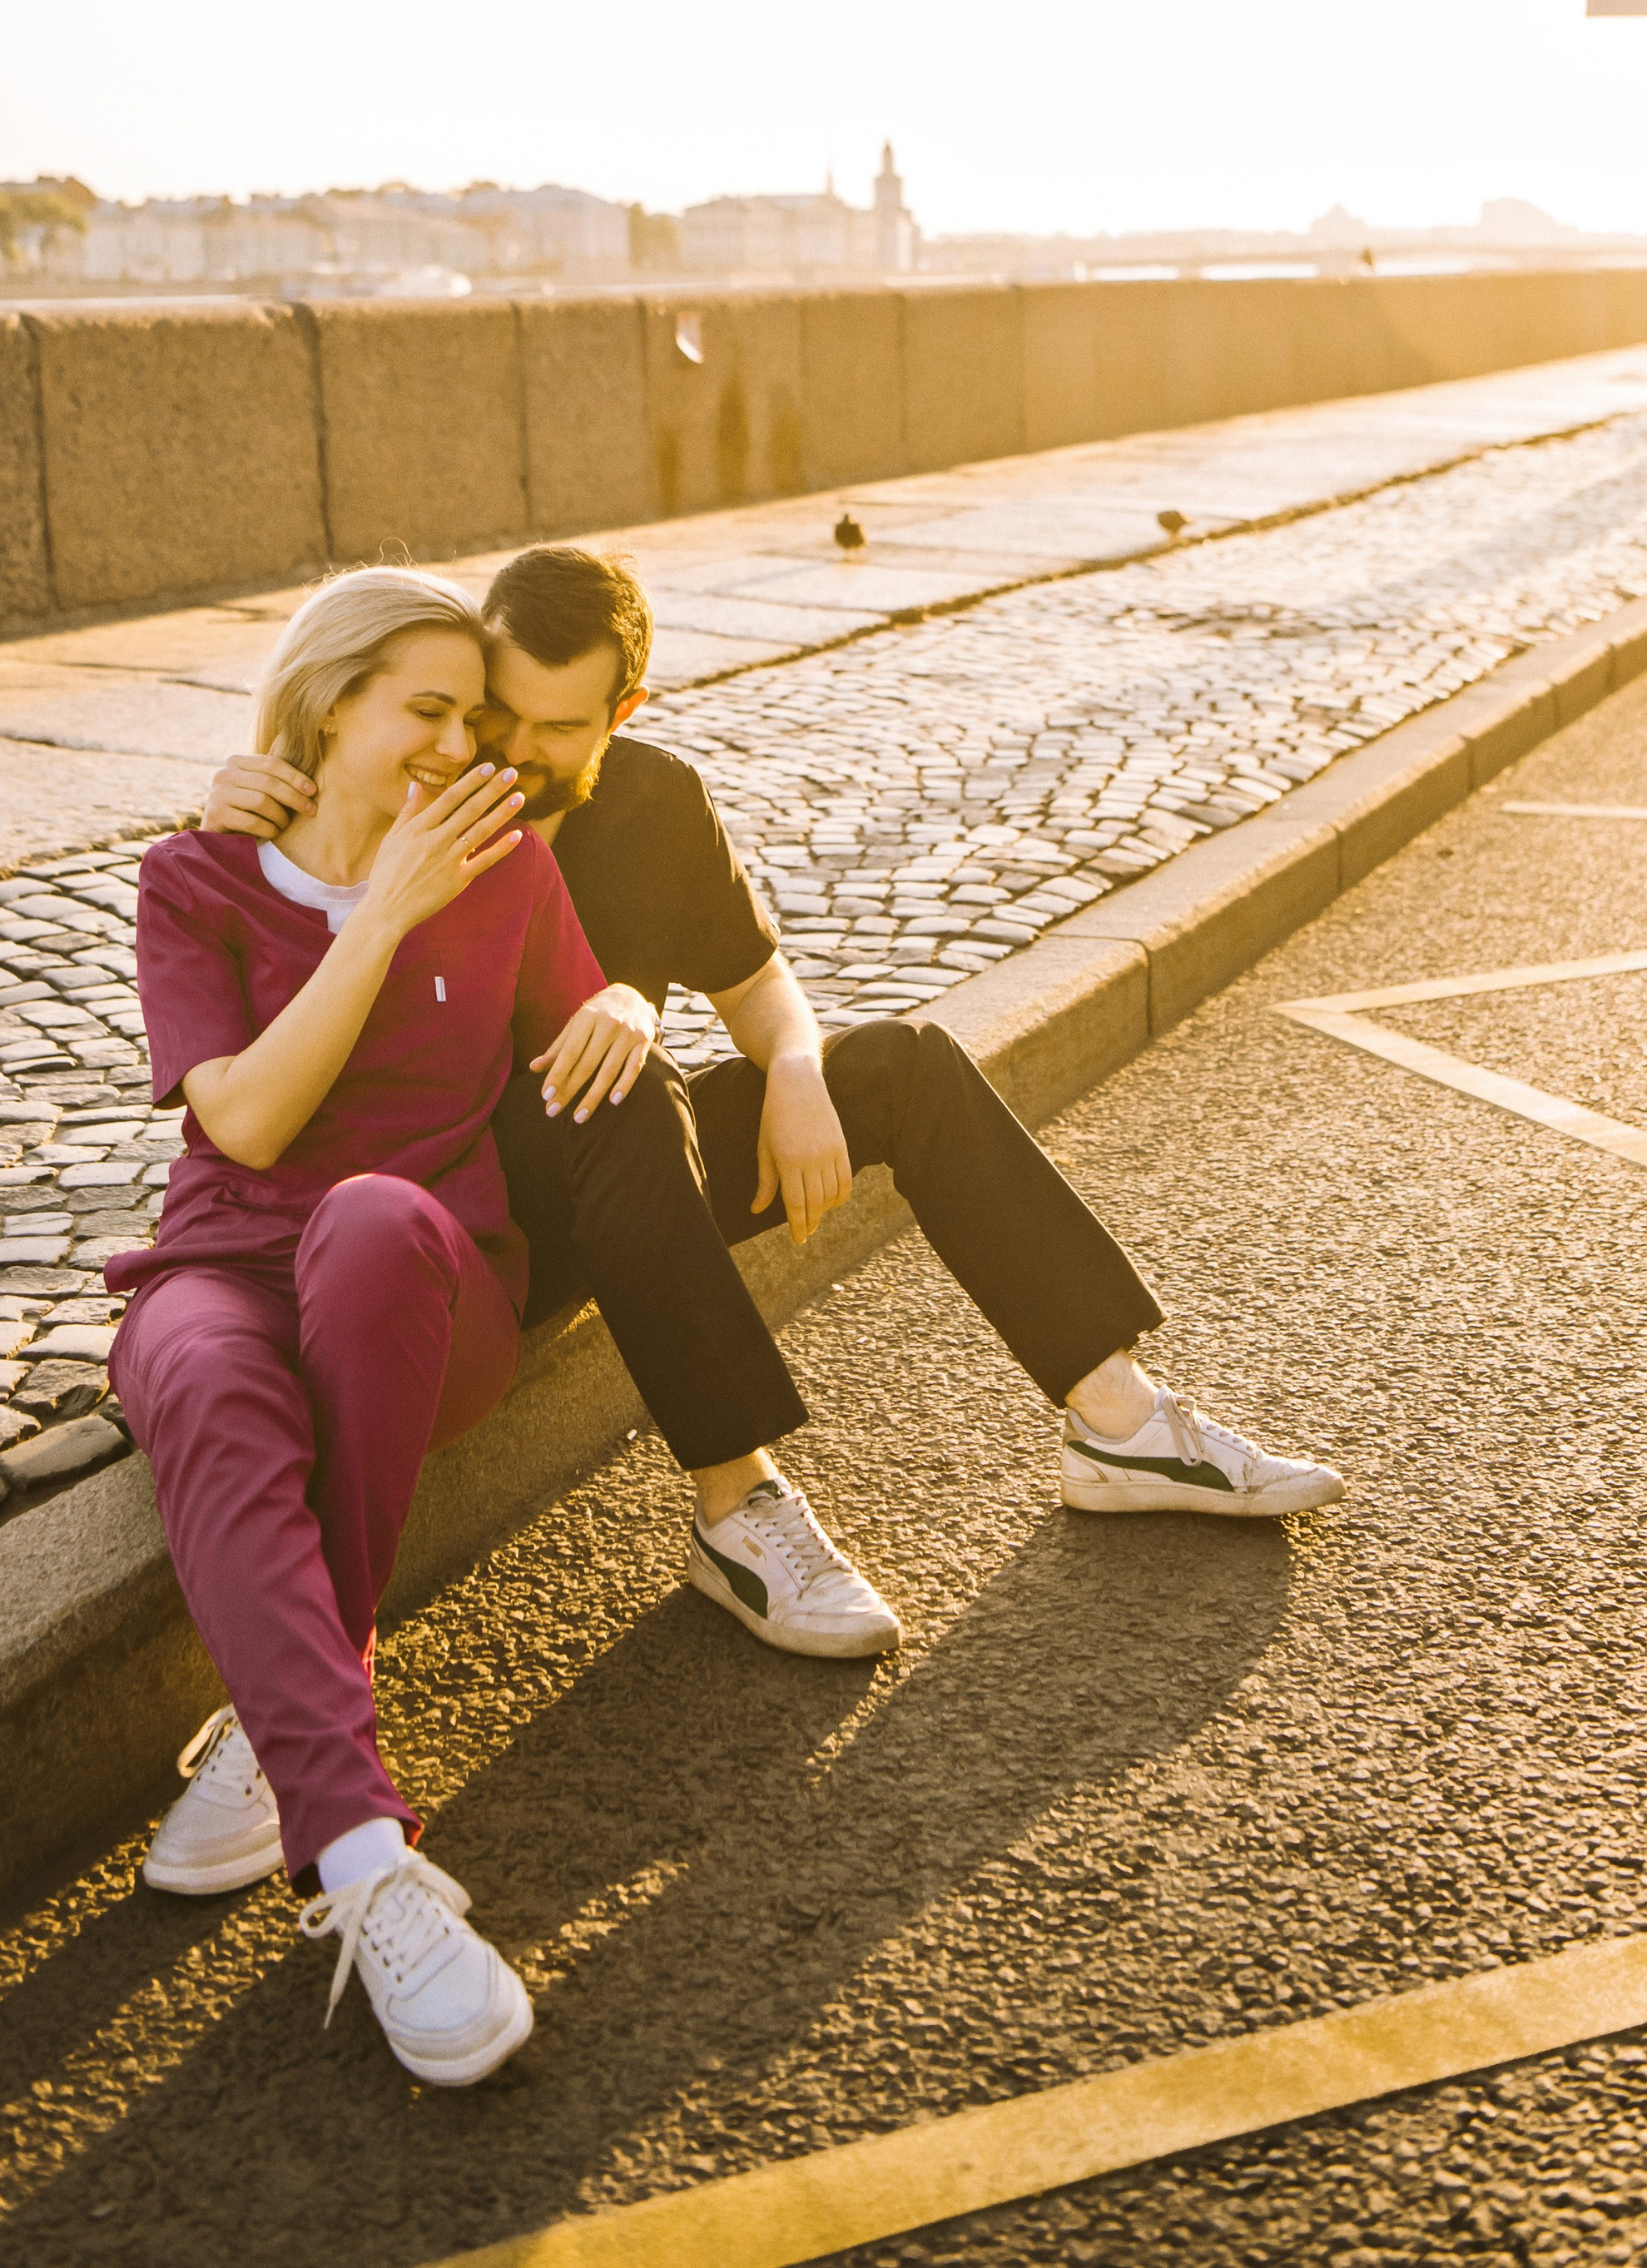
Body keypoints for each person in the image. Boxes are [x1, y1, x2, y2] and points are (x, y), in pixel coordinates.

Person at [201, 546, 1343, 1673]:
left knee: (902, 1066)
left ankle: (1119, 1422)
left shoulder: (653, 802)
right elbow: (294, 854)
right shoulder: (425, 793)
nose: (514, 749)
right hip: (463, 1218)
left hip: (635, 1173)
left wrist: (795, 1069)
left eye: (561, 726)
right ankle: (737, 1504)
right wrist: (239, 798)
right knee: (628, 1086)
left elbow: (756, 985)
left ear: (624, 711)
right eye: (501, 710)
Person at [111, 563, 664, 2090]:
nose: (458, 746)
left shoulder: (505, 867)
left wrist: (633, 1006)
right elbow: (246, 1120)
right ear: (328, 703)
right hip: (220, 1263)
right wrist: (382, 913)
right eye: (428, 710)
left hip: (422, 1283)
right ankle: (361, 1858)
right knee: (199, 1374)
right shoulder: (196, 879)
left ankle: (287, 1714)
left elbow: (590, 1018)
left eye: (470, 716)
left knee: (364, 1218)